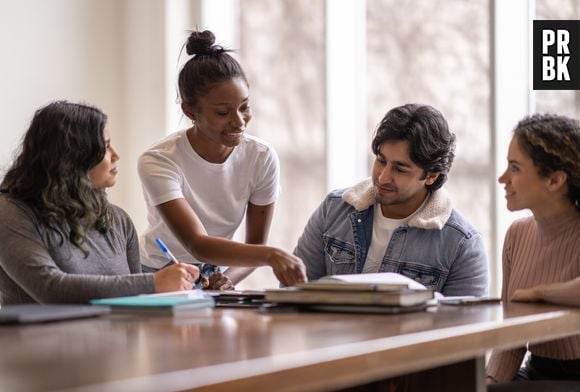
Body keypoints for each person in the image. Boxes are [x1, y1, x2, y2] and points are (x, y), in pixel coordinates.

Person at [138, 30, 306, 288]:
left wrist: (228, 278)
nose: (239, 121)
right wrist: (272, 255)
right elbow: (197, 244)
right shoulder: (159, 160)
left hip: (210, 277)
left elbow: (254, 245)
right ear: (189, 110)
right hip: (158, 276)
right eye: (223, 112)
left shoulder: (260, 158)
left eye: (245, 107)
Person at [0, 101, 200, 305]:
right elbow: (50, 288)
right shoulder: (10, 212)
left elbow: (136, 300)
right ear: (72, 155)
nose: (116, 155)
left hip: (115, 336)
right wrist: (154, 283)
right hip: (39, 337)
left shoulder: (118, 220)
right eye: (105, 146)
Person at [294, 103, 488, 296]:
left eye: (400, 169)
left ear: (431, 176)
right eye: (381, 160)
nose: (383, 177)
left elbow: (466, 324)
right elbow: (294, 291)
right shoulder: (334, 209)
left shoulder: (461, 244)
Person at [486, 113, 580, 387]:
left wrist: (540, 293)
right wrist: (488, 383)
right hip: (537, 372)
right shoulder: (517, 234)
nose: (503, 178)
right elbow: (511, 337)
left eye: (515, 168)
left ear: (554, 180)